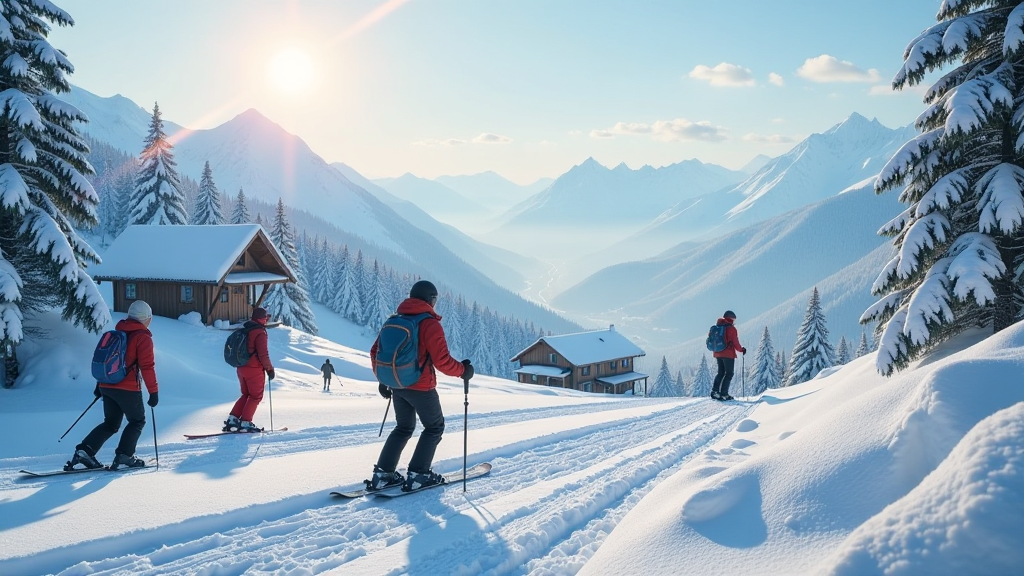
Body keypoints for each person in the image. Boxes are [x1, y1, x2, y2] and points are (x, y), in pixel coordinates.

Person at [366, 280, 473, 492]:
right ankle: (418, 475)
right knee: (434, 427)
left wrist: (384, 380)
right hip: (421, 387)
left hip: (397, 385)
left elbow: (375, 352)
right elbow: (442, 360)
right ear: (430, 299)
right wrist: (463, 370)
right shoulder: (429, 323)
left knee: (403, 428)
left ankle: (383, 474)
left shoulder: (394, 319)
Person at [67, 300, 159, 471]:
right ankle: (125, 455)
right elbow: (147, 367)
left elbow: (105, 360)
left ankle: (85, 451)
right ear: (145, 318)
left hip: (107, 385)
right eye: (149, 318)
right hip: (128, 388)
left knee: (111, 423)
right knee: (137, 421)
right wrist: (153, 392)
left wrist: (99, 384)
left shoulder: (117, 332)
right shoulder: (142, 337)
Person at [224, 307, 275, 432]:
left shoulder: (245, 329)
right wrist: (269, 369)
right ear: (261, 319)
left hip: (241, 368)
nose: (266, 320)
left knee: (246, 394)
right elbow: (263, 354)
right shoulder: (260, 332)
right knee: (255, 397)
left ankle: (233, 419)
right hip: (254, 369)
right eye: (265, 318)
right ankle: (245, 422)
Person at [711, 310, 746, 401]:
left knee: (720, 373)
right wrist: (741, 349)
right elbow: (735, 342)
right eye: (733, 319)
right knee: (729, 373)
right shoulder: (731, 329)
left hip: (718, 352)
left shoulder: (718, 326)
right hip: (728, 354)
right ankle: (724, 394)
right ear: (731, 318)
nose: (734, 321)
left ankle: (715, 392)